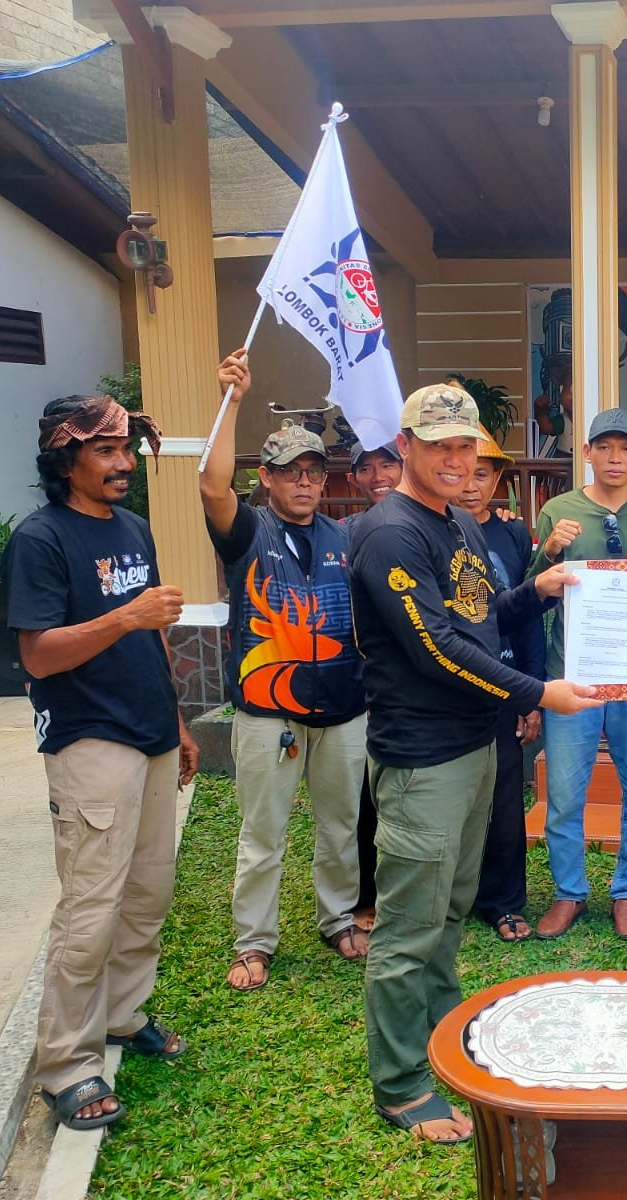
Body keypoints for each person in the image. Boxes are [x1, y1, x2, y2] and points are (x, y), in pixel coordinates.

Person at [349, 383, 599, 1144]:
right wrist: (541, 692)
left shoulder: (455, 519)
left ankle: (440, 1040)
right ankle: (401, 1086)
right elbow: (436, 648)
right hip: (423, 759)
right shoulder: (390, 533)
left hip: (473, 747)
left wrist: (537, 591)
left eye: (467, 446)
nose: (457, 460)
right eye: (440, 446)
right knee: (408, 930)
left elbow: (481, 618)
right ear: (406, 447)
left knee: (450, 912)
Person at [2, 393, 198, 1131]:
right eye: (106, 451)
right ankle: (67, 1065)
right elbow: (38, 655)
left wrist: (176, 719)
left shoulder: (133, 528)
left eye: (126, 450)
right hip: (89, 738)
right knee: (90, 910)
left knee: (147, 895)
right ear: (65, 460)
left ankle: (122, 1015)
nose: (124, 464)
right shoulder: (40, 539)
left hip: (150, 732)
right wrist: (125, 616)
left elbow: (150, 636)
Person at [199, 351, 368, 993]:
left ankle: (338, 918)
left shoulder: (345, 538)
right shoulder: (246, 532)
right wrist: (233, 401)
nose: (304, 482)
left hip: (342, 707)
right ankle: (253, 942)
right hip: (268, 711)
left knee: (340, 825)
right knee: (263, 832)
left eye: (313, 472)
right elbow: (212, 487)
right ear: (266, 478)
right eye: (290, 472)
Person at [529, 407, 627, 940]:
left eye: (626, 448)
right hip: (572, 677)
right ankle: (569, 892)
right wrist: (549, 551)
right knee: (564, 795)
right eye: (604, 447)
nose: (615, 457)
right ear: (587, 452)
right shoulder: (558, 511)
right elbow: (532, 594)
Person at [456, 430, 546, 943]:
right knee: (453, 799)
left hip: (506, 685)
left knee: (506, 800)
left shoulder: (513, 535)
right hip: (451, 688)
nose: (471, 485)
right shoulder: (433, 530)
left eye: (483, 474)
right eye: (465, 473)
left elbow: (527, 614)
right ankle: (453, 897)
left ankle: (505, 901)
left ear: (497, 481)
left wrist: (532, 693)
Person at [342, 437, 402, 930]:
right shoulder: (344, 533)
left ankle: (408, 894)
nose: (378, 476)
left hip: (410, 686)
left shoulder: (424, 527)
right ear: (353, 478)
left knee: (404, 798)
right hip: (359, 685)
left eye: (388, 464)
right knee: (363, 797)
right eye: (367, 468)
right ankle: (365, 895)